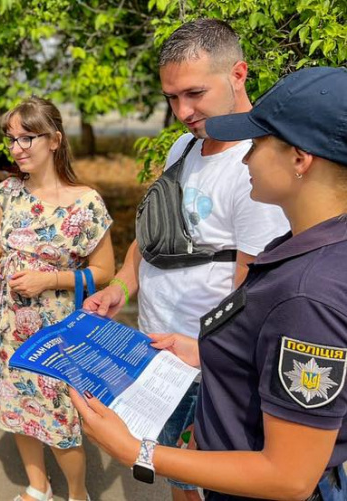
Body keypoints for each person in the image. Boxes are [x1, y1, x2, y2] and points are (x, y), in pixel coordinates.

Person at [71, 65, 347, 501]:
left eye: (257, 144)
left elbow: (289, 476)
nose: (247, 156)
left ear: (300, 158)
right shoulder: (306, 246)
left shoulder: (306, 294)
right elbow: (264, 347)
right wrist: (205, 352)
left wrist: (137, 452)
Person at [82, 19, 288, 501]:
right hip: (160, 350)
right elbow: (154, 237)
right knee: (178, 476)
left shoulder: (255, 169)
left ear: (238, 73)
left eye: (194, 93)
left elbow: (250, 296)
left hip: (208, 364)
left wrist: (220, 380)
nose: (182, 111)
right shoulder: (186, 145)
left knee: (208, 479)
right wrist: (121, 287)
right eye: (172, 98)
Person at [0, 96, 115, 501]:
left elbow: (104, 272)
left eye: (26, 139)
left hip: (55, 336)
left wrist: (49, 280)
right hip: (5, 331)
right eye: (11, 139)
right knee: (19, 412)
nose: (16, 149)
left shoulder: (86, 202)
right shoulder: (7, 192)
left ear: (54, 140)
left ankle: (76, 494)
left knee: (60, 422)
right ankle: (38, 488)